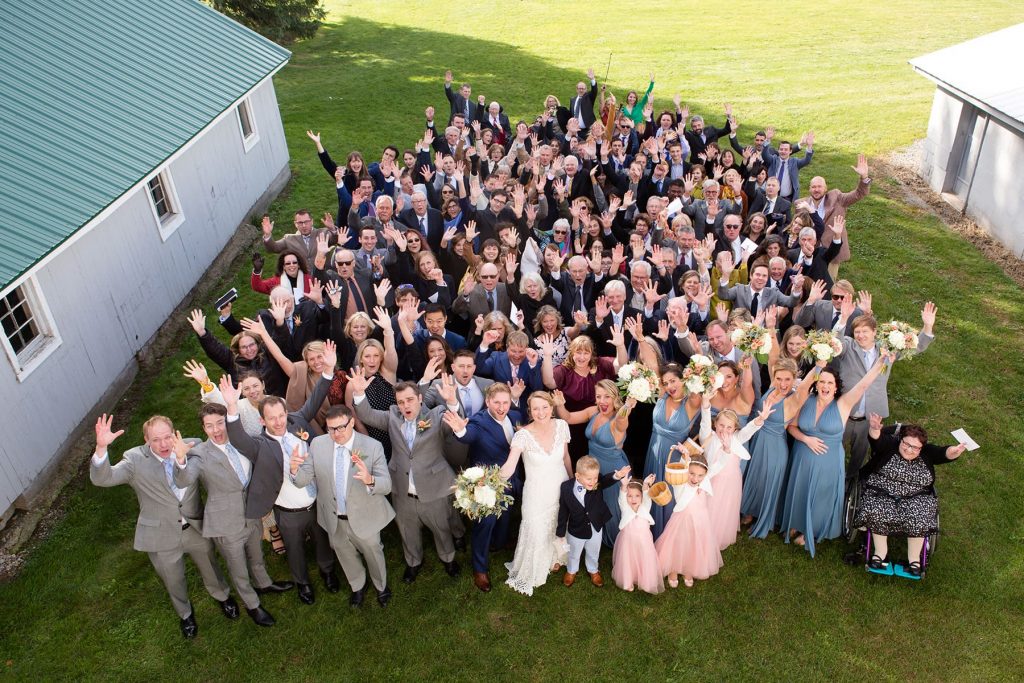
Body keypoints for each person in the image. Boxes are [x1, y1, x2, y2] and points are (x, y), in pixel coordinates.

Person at [90, 414, 232, 639]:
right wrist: (100, 448)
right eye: (156, 440)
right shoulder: (134, 460)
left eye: (167, 437)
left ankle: (223, 597)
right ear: (146, 439)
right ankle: (185, 614)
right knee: (173, 578)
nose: (164, 444)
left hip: (194, 527)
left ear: (175, 434)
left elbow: (221, 446)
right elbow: (103, 478)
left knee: (210, 566)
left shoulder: (191, 446)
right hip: (160, 534)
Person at [222, 361, 341, 605]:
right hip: (288, 512)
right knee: (295, 549)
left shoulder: (297, 423)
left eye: (281, 416)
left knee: (322, 540)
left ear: (286, 414)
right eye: (272, 418)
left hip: (315, 502)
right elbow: (236, 438)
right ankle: (303, 583)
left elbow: (315, 398)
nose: (278, 422)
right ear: (262, 421)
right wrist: (232, 407)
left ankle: (328, 571)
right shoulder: (258, 445)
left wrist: (328, 372)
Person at [173, 403, 285, 627]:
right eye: (209, 426)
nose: (216, 430)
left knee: (257, 555)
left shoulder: (241, 442)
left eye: (219, 423)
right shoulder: (198, 454)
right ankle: (252, 605)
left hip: (251, 513)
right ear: (203, 429)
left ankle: (264, 583)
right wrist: (180, 460)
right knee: (238, 567)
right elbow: (183, 480)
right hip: (225, 523)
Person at [350, 371, 463, 583]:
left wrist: (452, 402)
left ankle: (448, 558)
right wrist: (358, 392)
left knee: (441, 528)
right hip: (402, 489)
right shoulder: (392, 416)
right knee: (407, 530)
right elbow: (366, 415)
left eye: (410, 400)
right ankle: (413, 562)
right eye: (401, 402)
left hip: (433, 487)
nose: (405, 406)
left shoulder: (436, 415)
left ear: (420, 398)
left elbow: (453, 423)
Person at [781, 352, 892, 557]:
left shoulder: (843, 404)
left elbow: (862, 386)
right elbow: (792, 427)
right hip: (802, 456)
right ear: (816, 383)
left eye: (829, 382)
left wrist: (880, 363)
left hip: (828, 461)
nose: (825, 386)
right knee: (800, 488)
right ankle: (796, 521)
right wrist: (806, 439)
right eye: (821, 381)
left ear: (836, 386)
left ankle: (812, 530)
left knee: (820, 494)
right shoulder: (805, 401)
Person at [290, 405, 395, 607]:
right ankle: (358, 586)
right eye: (331, 429)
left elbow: (387, 486)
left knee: (373, 553)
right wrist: (294, 471)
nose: (335, 434)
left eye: (340, 428)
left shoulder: (372, 446)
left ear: (352, 422)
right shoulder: (318, 445)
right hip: (334, 518)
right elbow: (304, 479)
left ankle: (381, 586)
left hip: (365, 517)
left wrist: (369, 479)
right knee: (344, 554)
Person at [854, 416, 968, 578]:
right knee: (877, 510)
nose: (909, 450)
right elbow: (876, 441)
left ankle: (914, 561)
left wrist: (954, 451)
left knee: (920, 516)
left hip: (916, 497)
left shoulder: (927, 452)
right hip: (882, 492)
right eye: (906, 444)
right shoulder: (890, 446)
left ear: (922, 447)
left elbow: (943, 453)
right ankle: (880, 554)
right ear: (900, 440)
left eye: (915, 447)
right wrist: (874, 428)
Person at [836, 301, 936, 479]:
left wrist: (927, 326)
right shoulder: (848, 346)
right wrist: (843, 318)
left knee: (859, 457)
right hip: (844, 414)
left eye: (865, 331)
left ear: (874, 332)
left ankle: (851, 483)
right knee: (834, 452)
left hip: (870, 418)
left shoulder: (887, 349)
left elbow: (917, 347)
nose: (860, 335)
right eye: (857, 331)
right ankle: (831, 480)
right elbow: (835, 343)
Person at [444, 383, 523, 592]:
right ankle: (480, 568)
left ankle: (500, 541)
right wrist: (460, 430)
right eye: (496, 402)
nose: (501, 407)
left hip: (512, 480)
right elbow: (467, 434)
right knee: (485, 524)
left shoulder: (515, 416)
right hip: (486, 485)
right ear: (487, 402)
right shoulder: (479, 421)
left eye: (505, 402)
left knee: (506, 515)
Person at [500, 392, 573, 596]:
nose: (540, 412)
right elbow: (509, 466)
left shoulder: (561, 426)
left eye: (544, 407)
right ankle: (535, 565)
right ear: (530, 412)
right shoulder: (522, 435)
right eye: (535, 409)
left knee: (559, 523)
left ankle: (557, 558)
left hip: (561, 485)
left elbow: (566, 457)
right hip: (536, 492)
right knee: (536, 525)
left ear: (551, 407)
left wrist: (573, 483)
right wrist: (490, 481)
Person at [741, 360, 822, 539]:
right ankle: (749, 511)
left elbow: (805, 386)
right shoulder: (773, 388)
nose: (783, 384)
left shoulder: (793, 398)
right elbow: (772, 357)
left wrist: (819, 366)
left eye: (788, 379)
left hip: (774, 447)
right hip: (758, 440)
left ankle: (762, 521)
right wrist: (769, 332)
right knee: (755, 478)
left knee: (767, 484)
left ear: (794, 379)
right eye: (779, 378)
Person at [552, 381, 636, 547]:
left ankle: (619, 542)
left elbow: (622, 419)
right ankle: (595, 538)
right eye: (599, 396)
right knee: (593, 504)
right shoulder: (593, 412)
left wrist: (626, 407)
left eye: (607, 397)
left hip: (613, 469)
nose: (602, 401)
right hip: (593, 468)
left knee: (613, 507)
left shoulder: (618, 420)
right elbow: (568, 417)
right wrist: (560, 405)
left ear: (615, 398)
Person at [538, 333, 626, 464]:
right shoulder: (564, 371)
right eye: (578, 352)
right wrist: (547, 355)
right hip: (571, 424)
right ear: (572, 353)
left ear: (591, 354)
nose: (582, 357)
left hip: (598, 424)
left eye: (586, 353)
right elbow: (549, 382)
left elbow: (621, 365)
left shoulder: (600, 365)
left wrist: (620, 345)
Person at [698, 395, 771, 551]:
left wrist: (760, 420)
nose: (724, 430)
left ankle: (719, 536)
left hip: (732, 481)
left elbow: (749, 430)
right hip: (712, 480)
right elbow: (704, 421)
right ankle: (703, 536)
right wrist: (705, 403)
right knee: (709, 508)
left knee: (725, 508)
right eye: (721, 425)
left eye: (729, 427)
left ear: (735, 428)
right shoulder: (708, 437)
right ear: (715, 423)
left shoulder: (737, 438)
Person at [644, 363, 703, 539]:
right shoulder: (663, 395)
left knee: (669, 496)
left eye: (673, 381)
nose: (670, 386)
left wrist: (695, 369)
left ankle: (669, 538)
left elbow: (696, 387)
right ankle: (650, 532)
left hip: (673, 457)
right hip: (653, 452)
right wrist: (640, 339)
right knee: (653, 491)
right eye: (666, 383)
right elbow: (652, 363)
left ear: (684, 379)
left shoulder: (691, 402)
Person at [556, 456, 632, 588]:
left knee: (594, 550)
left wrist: (617, 475)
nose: (593, 482)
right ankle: (571, 570)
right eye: (589, 479)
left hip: (595, 526)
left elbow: (605, 480)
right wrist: (561, 531)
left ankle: (593, 569)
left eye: (595, 478)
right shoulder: (566, 488)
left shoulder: (597, 483)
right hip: (576, 529)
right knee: (574, 552)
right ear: (577, 476)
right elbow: (563, 510)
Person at [655, 452, 720, 588]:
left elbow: (719, 465)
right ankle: (673, 568)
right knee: (678, 543)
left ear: (705, 475)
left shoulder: (705, 481)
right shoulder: (681, 483)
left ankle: (688, 569)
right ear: (686, 471)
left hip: (700, 521)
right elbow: (680, 469)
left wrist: (726, 449)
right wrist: (685, 457)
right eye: (692, 473)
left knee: (693, 543)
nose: (695, 478)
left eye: (700, 475)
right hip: (681, 520)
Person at [611, 475, 664, 594]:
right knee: (628, 560)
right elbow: (621, 498)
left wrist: (645, 485)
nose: (633, 499)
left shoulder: (645, 507)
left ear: (641, 497)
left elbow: (647, 495)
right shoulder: (625, 508)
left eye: (637, 496)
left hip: (643, 541)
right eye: (629, 496)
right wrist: (624, 486)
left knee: (644, 559)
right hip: (628, 542)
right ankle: (628, 580)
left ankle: (645, 580)